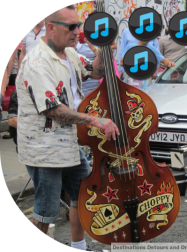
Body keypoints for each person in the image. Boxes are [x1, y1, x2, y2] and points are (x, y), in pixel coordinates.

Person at [16, 5, 119, 251]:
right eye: (71, 27)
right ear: (50, 28)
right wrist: (95, 120)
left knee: (82, 198)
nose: (77, 32)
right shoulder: (37, 62)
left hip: (71, 147)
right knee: (45, 213)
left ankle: (79, 246)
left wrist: (103, 44)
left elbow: (97, 70)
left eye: (79, 26)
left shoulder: (69, 54)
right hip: (46, 151)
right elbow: (53, 109)